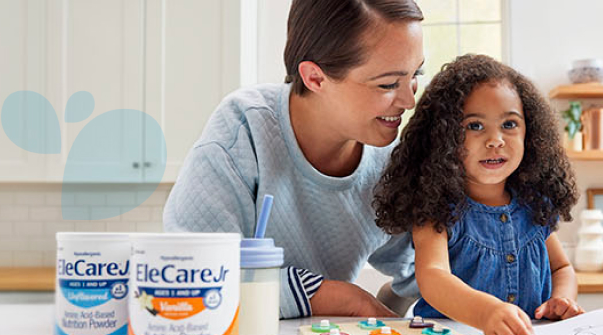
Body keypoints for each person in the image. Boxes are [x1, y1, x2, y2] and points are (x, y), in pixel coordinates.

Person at [163, 0, 425, 319]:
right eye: (387, 84)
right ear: (315, 78)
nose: (410, 100)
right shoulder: (243, 130)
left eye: (416, 74)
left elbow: (418, 267)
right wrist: (340, 298)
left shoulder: (389, 159)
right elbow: (190, 269)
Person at [373, 54, 584, 335]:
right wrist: (487, 314)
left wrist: (562, 299)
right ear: (443, 138)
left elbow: (561, 269)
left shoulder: (533, 207)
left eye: (509, 124)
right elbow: (433, 276)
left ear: (531, 133)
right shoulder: (437, 209)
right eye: (475, 126)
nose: (495, 140)